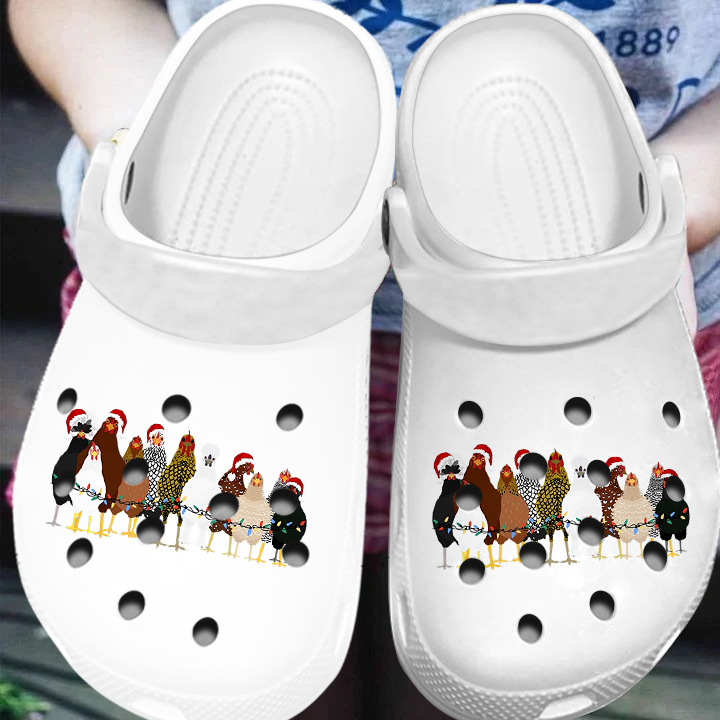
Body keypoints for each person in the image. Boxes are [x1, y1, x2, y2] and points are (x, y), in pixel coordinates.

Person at [9, 0, 720, 554]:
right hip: (205, 282)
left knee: (482, 619)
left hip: (602, 301)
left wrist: (670, 206)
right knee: (261, 598)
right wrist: (149, 144)